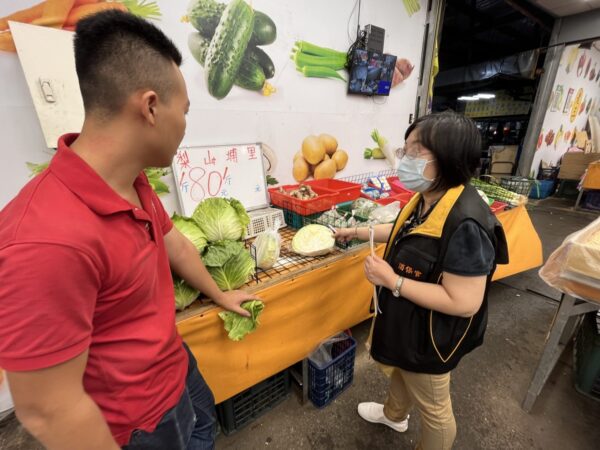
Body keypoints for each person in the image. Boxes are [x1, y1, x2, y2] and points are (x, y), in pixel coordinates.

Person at [0, 11, 256, 450]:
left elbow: (173, 241)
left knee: (202, 432)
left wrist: (219, 292)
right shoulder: (41, 240)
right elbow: (49, 409)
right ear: (151, 106)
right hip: (135, 423)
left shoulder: (132, 182)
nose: (186, 124)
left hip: (175, 369)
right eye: (186, 111)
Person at [336, 112, 508, 450]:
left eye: (416, 152)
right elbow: (404, 227)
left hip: (433, 335)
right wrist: (356, 232)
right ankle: (395, 415)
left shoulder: (467, 223)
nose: (405, 160)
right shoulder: (429, 196)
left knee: (435, 409)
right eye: (406, 150)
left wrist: (392, 281)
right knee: (403, 369)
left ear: (448, 158)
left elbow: (464, 302)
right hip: (411, 323)